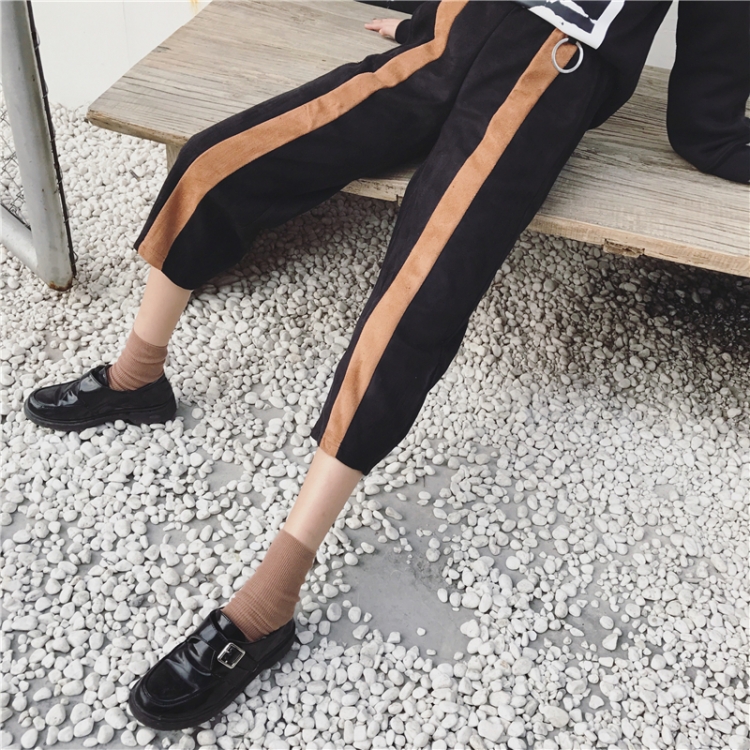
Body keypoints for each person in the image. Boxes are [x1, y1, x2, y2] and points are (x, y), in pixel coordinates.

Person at [23, 0, 748, 732]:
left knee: (414, 302)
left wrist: (714, 135)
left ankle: (268, 601)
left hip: (547, 79)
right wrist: (427, 21)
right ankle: (137, 375)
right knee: (219, 159)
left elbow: (719, 37)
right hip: (459, 34)